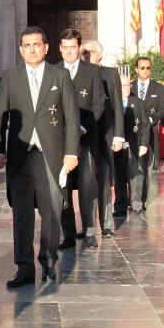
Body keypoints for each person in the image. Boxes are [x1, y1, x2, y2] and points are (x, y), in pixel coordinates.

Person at [0, 26, 78, 287]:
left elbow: (72, 117)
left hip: (50, 155)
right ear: (20, 50)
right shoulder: (10, 77)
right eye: (26, 45)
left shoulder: (60, 75)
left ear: (46, 47)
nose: (31, 49)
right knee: (22, 214)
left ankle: (49, 260)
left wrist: (71, 152)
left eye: (36, 45)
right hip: (20, 156)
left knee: (51, 211)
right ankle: (24, 268)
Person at [56, 29, 105, 248]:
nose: (68, 51)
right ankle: (67, 234)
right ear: (59, 48)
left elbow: (99, 102)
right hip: (60, 141)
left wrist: (84, 126)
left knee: (87, 185)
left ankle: (89, 231)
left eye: (72, 47)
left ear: (79, 48)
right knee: (63, 187)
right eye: (65, 47)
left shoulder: (92, 71)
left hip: (86, 138)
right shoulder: (53, 71)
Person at [80, 40, 125, 236]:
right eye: (84, 52)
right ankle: (88, 227)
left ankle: (107, 224)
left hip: (105, 134)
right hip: (84, 134)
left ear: (99, 54)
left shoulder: (110, 74)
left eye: (90, 52)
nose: (86, 55)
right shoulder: (77, 73)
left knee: (105, 179)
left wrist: (119, 135)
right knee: (85, 182)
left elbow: (116, 105)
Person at [114, 72, 152, 213]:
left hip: (134, 144)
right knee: (119, 176)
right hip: (117, 146)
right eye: (123, 85)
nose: (126, 88)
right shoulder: (113, 102)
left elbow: (145, 125)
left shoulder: (138, 103)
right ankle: (120, 206)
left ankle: (136, 204)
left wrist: (143, 144)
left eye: (128, 85)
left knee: (135, 175)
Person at [130, 57, 164, 204]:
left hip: (150, 133)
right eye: (142, 67)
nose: (145, 70)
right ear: (137, 69)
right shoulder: (129, 88)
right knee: (131, 168)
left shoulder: (158, 88)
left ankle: (143, 199)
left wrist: (152, 119)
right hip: (131, 133)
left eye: (148, 68)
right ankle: (131, 199)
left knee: (146, 168)